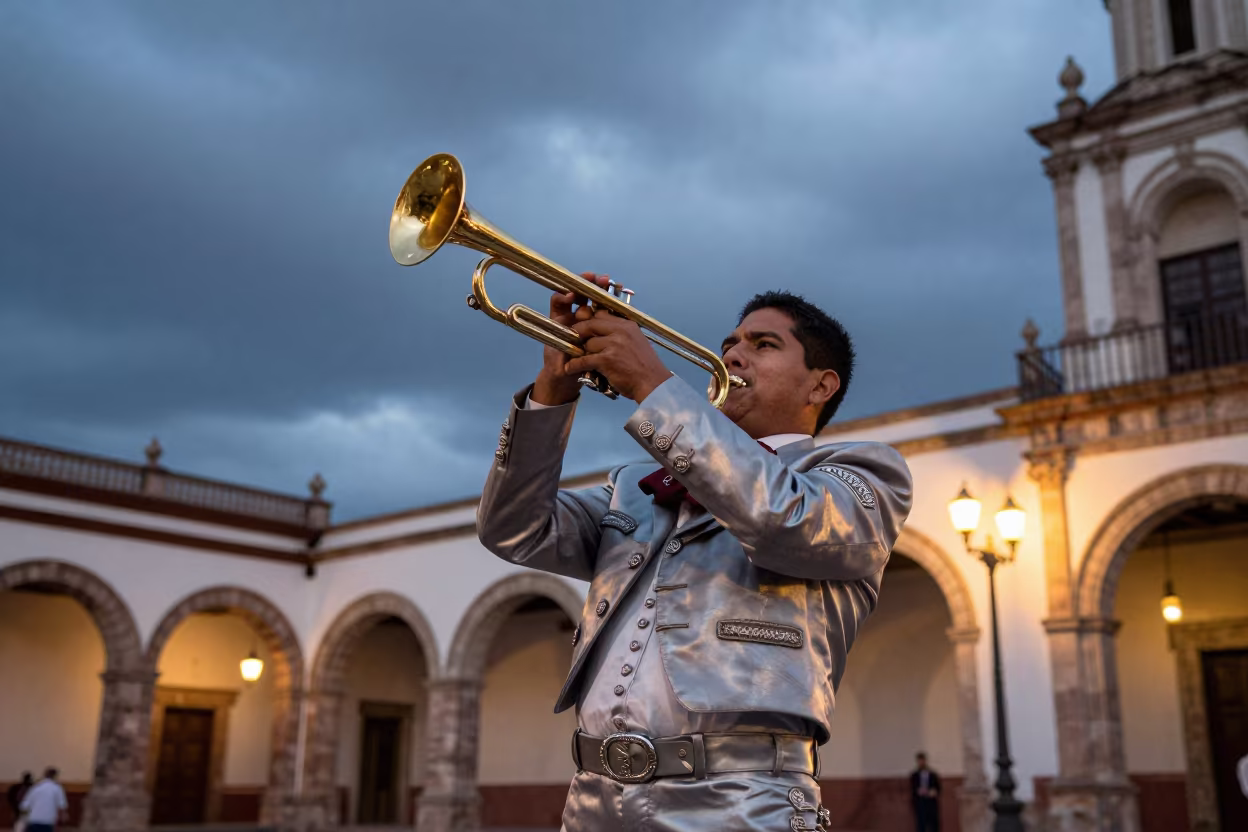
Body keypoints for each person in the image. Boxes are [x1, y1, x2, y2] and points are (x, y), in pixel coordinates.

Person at [477, 278, 913, 831]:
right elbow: (512, 528)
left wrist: (652, 384)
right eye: (732, 342)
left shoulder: (860, 473)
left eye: (764, 345)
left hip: (741, 799)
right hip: (593, 799)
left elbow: (783, 519)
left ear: (820, 387)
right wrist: (552, 388)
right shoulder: (635, 485)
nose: (733, 354)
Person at [910, 752, 941, 832]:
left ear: (925, 761)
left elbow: (938, 788)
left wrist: (934, 792)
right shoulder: (914, 775)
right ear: (917, 761)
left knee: (934, 824)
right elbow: (913, 789)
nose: (921, 762)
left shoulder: (933, 774)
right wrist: (918, 792)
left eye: (922, 760)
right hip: (920, 803)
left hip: (931, 803)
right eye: (919, 761)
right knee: (921, 825)